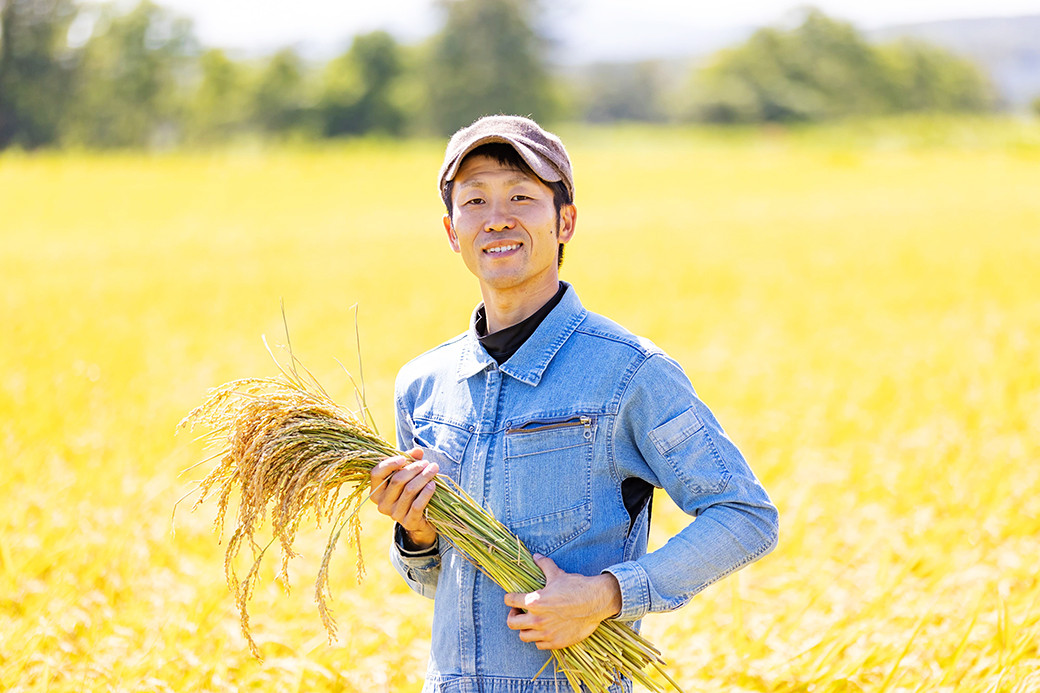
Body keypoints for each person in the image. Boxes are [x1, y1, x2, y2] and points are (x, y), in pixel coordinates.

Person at [369, 115, 778, 693]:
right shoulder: (423, 385)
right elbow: (438, 585)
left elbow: (745, 516)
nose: (497, 218)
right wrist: (416, 535)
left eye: (521, 196)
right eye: (475, 200)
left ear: (566, 221)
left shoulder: (629, 372)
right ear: (451, 230)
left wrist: (605, 595)